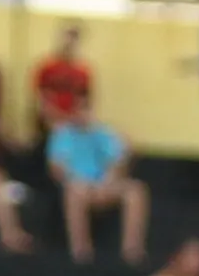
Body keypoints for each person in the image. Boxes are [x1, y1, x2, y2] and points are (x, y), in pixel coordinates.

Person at [45, 90, 143, 262]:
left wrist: (108, 181)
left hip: (104, 186)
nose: (82, 113)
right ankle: (81, 251)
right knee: (76, 191)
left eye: (86, 108)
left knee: (135, 191)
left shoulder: (103, 133)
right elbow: (56, 169)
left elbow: (118, 162)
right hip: (78, 186)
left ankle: (131, 250)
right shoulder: (62, 134)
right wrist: (79, 181)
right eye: (79, 108)